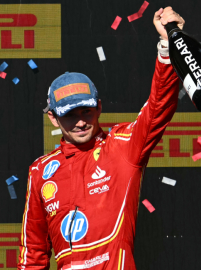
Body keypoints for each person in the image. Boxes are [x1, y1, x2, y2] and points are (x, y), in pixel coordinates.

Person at [18, 7, 185, 270]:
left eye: (87, 111)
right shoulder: (40, 172)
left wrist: (167, 46)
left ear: (99, 108)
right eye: (70, 115)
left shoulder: (121, 147)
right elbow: (33, 253)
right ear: (53, 118)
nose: (81, 121)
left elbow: (157, 110)